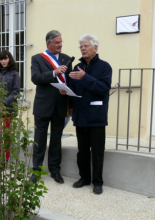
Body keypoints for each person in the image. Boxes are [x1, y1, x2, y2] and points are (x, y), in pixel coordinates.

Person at [62, 34, 112, 194]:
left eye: (86, 46)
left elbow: (103, 88)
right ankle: (84, 178)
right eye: (81, 47)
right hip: (80, 115)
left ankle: (98, 182)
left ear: (95, 48)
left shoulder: (104, 67)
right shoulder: (77, 67)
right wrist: (66, 91)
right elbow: (73, 90)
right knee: (82, 151)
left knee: (97, 151)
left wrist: (86, 77)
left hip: (96, 117)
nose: (83, 49)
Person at [30, 30, 72, 184]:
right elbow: (35, 78)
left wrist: (67, 89)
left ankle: (55, 170)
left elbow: (70, 81)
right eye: (57, 42)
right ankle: (36, 171)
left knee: (56, 140)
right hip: (43, 106)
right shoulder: (37, 59)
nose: (60, 45)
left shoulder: (67, 59)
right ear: (48, 43)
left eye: (61, 42)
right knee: (39, 140)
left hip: (60, 105)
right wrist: (54, 72)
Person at [0, 50, 20, 160]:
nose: (3, 61)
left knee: (7, 136)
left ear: (9, 59)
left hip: (8, 109)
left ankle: (6, 159)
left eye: (5, 58)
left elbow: (16, 92)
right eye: (1, 59)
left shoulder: (15, 74)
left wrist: (4, 104)